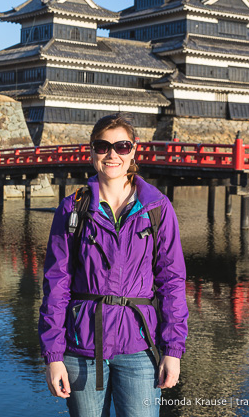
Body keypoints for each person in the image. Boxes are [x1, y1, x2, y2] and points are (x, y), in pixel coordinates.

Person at [39, 113, 189, 417]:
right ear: (91, 151)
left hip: (139, 345)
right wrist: (53, 355)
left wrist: (173, 349)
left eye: (121, 146)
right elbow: (56, 285)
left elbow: (172, 281)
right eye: (102, 146)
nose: (111, 155)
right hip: (82, 346)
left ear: (133, 150)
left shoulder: (157, 208)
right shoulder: (73, 208)